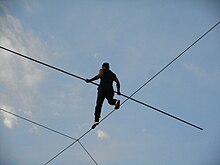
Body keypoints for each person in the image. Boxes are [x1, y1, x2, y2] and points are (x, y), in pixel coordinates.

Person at [85, 62, 121, 129]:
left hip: (102, 89)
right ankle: (116, 101)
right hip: (110, 89)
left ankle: (96, 120)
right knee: (110, 101)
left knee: (99, 104)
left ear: (103, 67)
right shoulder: (113, 74)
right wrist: (118, 91)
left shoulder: (102, 70)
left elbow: (99, 76)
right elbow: (118, 82)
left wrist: (89, 80)